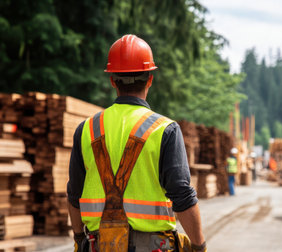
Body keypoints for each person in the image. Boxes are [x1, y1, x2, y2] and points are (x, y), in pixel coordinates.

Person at [67, 34, 206, 252]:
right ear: (150, 79)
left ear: (112, 80)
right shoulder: (165, 129)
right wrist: (199, 246)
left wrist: (78, 238)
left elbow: (75, 195)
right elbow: (182, 195)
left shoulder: (86, 130)